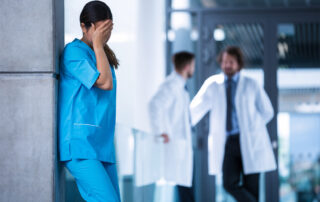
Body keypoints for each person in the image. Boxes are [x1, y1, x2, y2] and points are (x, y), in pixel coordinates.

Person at [190, 46, 277, 202]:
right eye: (224, 62)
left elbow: (267, 111)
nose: (226, 65)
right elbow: (195, 108)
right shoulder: (213, 85)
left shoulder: (251, 84)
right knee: (229, 183)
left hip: (251, 141)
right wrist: (180, 125)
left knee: (252, 187)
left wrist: (253, 128)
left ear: (238, 63)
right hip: (228, 143)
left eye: (230, 62)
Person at [58, 1, 121, 201]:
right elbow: (104, 82)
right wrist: (97, 44)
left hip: (102, 145)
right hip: (80, 145)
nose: (105, 35)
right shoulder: (74, 52)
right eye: (101, 30)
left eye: (108, 29)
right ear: (85, 27)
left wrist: (98, 46)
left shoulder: (101, 55)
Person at [149, 51, 196, 202]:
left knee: (184, 188)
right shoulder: (172, 84)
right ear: (187, 66)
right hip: (175, 143)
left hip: (180, 143)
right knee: (182, 188)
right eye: (193, 66)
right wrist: (161, 131)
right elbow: (154, 104)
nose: (193, 69)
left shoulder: (180, 85)